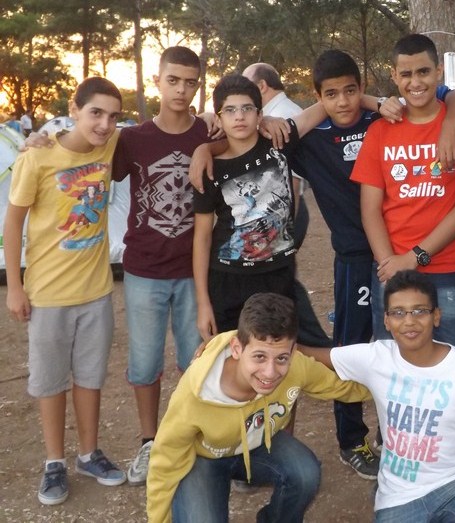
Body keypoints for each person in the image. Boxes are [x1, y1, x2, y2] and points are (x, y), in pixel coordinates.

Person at [191, 49, 455, 480]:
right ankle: (349, 439)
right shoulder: (306, 139)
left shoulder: (385, 120)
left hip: (397, 252)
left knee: (402, 341)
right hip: (352, 259)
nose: (342, 101)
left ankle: (402, 434)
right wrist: (204, 147)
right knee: (346, 346)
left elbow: (454, 96)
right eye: (331, 94)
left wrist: (381, 103)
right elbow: (253, 136)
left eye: (350, 92)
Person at [299, 270, 455, 523]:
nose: (409, 321)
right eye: (398, 312)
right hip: (397, 497)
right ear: (387, 321)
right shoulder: (377, 357)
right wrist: (268, 346)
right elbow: (310, 354)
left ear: (436, 316)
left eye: (420, 311)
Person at [4, 76, 126, 506]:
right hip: (48, 294)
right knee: (51, 381)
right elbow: (13, 223)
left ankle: (88, 454)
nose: (104, 124)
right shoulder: (37, 157)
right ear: (74, 110)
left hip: (96, 292)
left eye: (113, 116)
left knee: (90, 378)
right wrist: (14, 287)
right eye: (95, 113)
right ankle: (54, 461)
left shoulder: (109, 144)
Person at [146, 292, 371, 522]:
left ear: (293, 351)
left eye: (281, 358)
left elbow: (342, 387)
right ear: (236, 348)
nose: (270, 372)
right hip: (203, 457)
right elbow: (164, 462)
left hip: (258, 443)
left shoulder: (297, 366)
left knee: (305, 474)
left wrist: (389, 384)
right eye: (259, 357)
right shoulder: (196, 393)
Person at [109, 46, 212, 486]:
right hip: (144, 269)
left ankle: (190, 436)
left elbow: (242, 130)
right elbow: (89, 157)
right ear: (157, 81)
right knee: (144, 362)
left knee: (195, 361)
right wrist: (45, 141)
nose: (181, 90)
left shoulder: (208, 132)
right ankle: (149, 441)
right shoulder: (133, 139)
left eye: (190, 83)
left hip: (193, 270)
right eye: (173, 80)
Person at [351, 33, 455, 353]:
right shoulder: (380, 131)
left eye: (424, 72)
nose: (415, 82)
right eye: (406, 74)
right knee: (392, 364)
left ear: (439, 71)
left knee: (451, 364)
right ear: (394, 76)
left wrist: (413, 258)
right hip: (391, 268)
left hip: (450, 270)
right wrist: (390, 265)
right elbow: (370, 210)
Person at [193, 74, 300, 341]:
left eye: (247, 108)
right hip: (228, 278)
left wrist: (375, 102)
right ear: (218, 119)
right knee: (231, 351)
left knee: (276, 349)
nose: (239, 116)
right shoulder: (209, 167)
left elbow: (323, 107)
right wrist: (203, 303)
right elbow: (202, 237)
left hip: (278, 274)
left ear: (259, 114)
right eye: (230, 110)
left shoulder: (279, 142)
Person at [242, 61, 332, 349]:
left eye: (247, 84)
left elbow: (292, 180)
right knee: (282, 281)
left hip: (286, 212)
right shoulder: (273, 114)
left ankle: (314, 346)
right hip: (274, 215)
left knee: (281, 282)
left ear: (262, 86)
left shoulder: (284, 116)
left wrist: (284, 227)